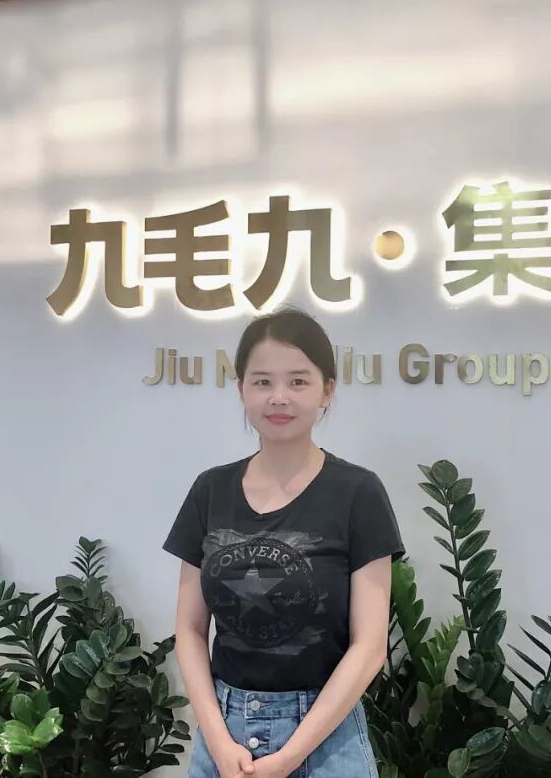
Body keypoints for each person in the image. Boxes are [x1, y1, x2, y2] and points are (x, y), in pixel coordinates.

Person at [162, 306, 406, 778]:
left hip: (326, 737)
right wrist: (217, 739)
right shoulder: (210, 490)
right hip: (224, 734)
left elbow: (370, 646)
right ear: (241, 390)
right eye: (262, 382)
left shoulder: (358, 492)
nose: (279, 397)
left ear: (327, 390)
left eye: (298, 381)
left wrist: (290, 756)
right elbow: (189, 629)